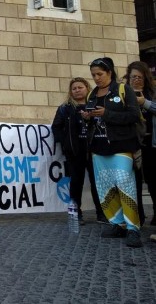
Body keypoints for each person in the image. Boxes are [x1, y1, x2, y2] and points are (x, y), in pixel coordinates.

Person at [83, 57, 143, 248]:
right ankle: (117, 224)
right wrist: (87, 117)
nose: (96, 78)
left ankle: (133, 228)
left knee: (126, 186)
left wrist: (106, 114)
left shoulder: (123, 90)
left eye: (99, 74)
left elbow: (133, 115)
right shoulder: (92, 94)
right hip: (98, 148)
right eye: (93, 75)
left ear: (109, 72)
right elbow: (92, 121)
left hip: (121, 146)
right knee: (105, 187)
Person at [52, 77, 105, 224]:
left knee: (97, 183)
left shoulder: (95, 105)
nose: (77, 90)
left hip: (94, 149)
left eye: (80, 87)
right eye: (74, 88)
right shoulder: (65, 108)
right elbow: (56, 127)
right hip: (74, 151)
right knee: (76, 183)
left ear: (87, 88)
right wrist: (64, 143)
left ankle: (102, 213)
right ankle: (76, 213)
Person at [124, 61, 156, 226]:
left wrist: (145, 103)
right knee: (133, 182)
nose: (136, 80)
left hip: (152, 143)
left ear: (146, 78)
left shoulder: (152, 93)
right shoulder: (123, 94)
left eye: (139, 77)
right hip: (132, 144)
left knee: (152, 181)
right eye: (133, 77)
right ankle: (138, 217)